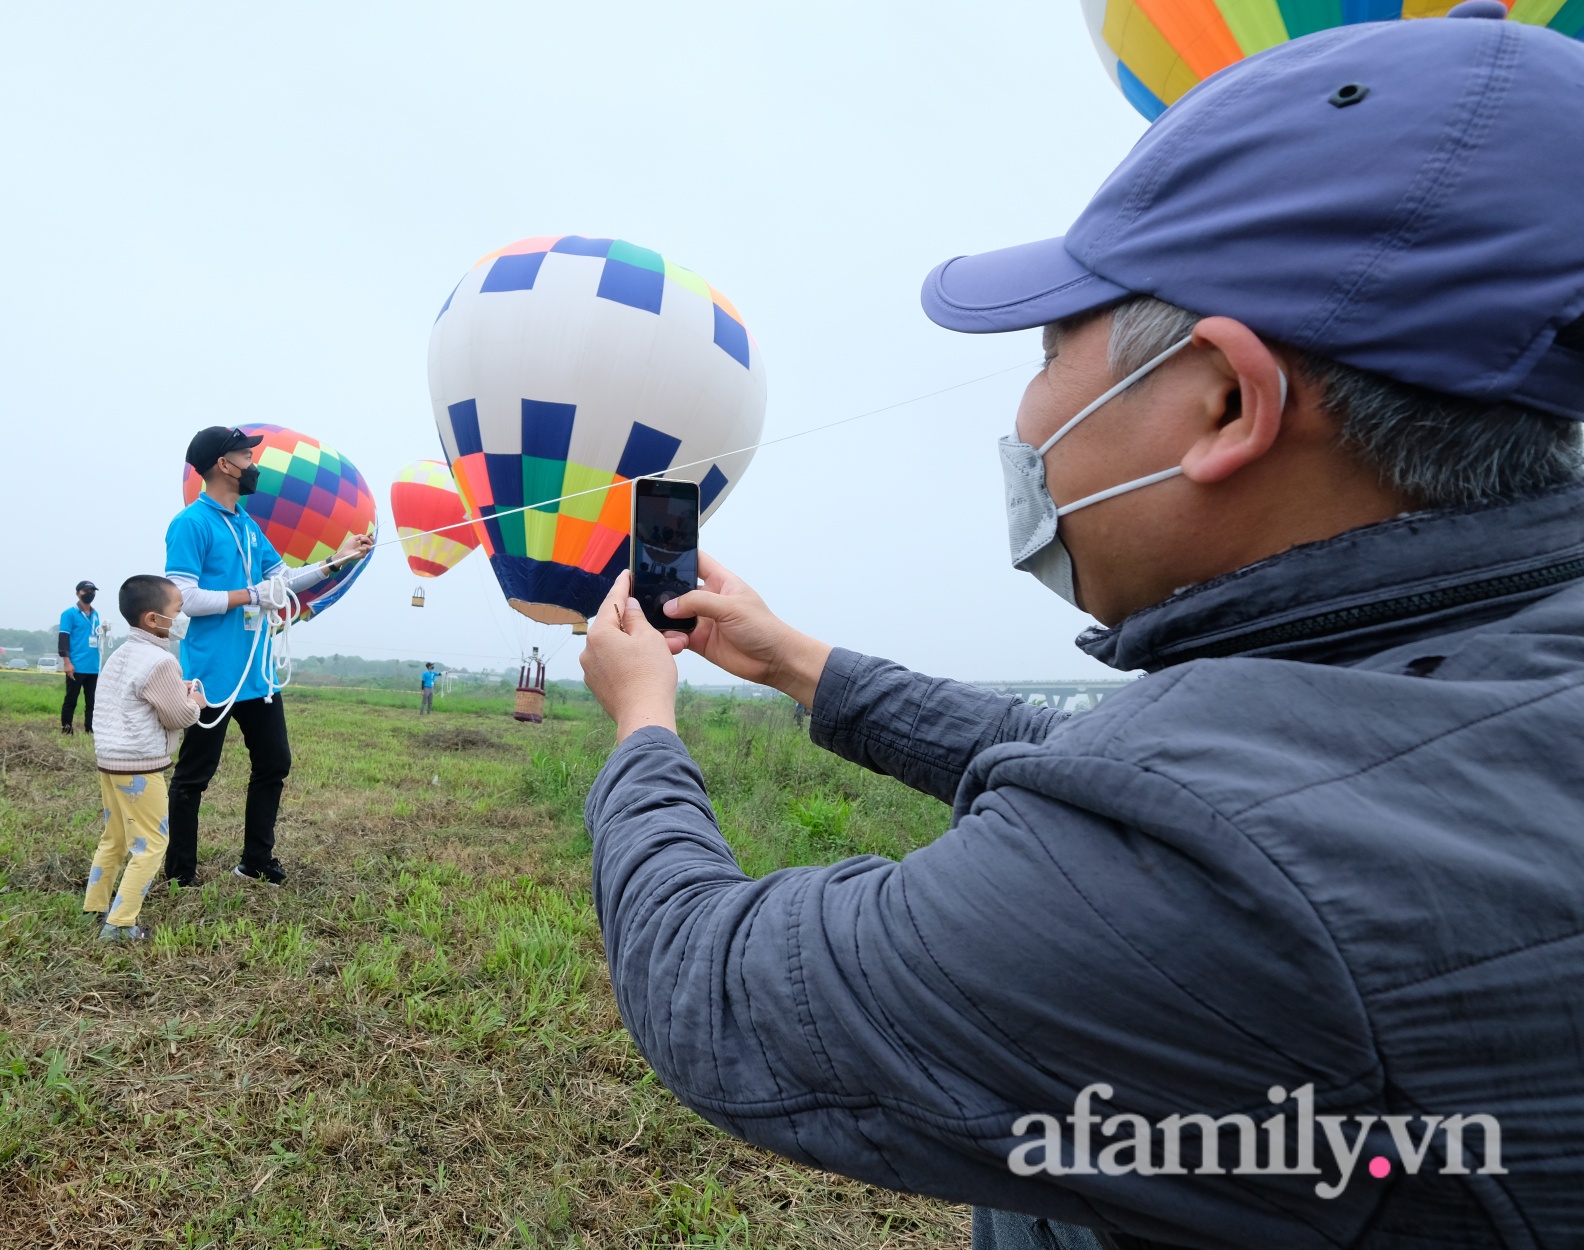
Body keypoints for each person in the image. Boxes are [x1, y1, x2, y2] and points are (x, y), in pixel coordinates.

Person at [580, 14, 1584, 1250]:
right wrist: (797, 660)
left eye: (1057, 341)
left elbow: (718, 993)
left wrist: (640, 722)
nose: (1028, 413)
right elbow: (1121, 765)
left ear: (1225, 400)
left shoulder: (1228, 870)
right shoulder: (1457, 673)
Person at [162, 426, 372, 887]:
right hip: (212, 675)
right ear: (224, 464)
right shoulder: (190, 525)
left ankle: (256, 861)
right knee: (195, 776)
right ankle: (179, 872)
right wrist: (249, 595)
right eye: (246, 456)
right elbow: (185, 597)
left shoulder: (248, 525)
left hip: (257, 674)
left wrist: (338, 560)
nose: (253, 465)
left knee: (274, 761)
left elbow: (283, 579)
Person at [84, 575, 205, 942]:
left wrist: (176, 696)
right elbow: (177, 717)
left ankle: (96, 904)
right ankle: (121, 924)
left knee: (115, 837)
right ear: (154, 619)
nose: (182, 618)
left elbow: (136, 700)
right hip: (140, 766)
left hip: (110, 760)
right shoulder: (161, 660)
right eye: (178, 611)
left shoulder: (121, 654)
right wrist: (194, 704)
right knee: (152, 844)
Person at [57, 580, 104, 735]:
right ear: (78, 593)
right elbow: (63, 639)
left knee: (92, 702)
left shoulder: (96, 614)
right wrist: (67, 662)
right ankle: (67, 729)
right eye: (86, 591)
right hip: (76, 665)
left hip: (93, 666)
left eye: (92, 591)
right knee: (71, 699)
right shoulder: (69, 614)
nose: (90, 594)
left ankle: (90, 729)